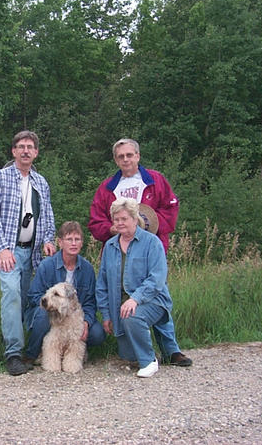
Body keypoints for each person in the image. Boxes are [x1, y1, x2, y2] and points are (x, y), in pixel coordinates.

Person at [89, 138, 192, 366]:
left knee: (155, 293)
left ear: (137, 156)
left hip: (150, 246)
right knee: (126, 297)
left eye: (129, 155)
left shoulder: (155, 180)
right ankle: (137, 350)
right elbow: (95, 221)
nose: (125, 159)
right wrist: (110, 229)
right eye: (120, 156)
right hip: (120, 249)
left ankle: (171, 350)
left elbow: (170, 208)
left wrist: (152, 227)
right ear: (115, 160)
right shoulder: (108, 188)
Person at [0, 130, 56, 376]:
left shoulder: (40, 182)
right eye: (21, 146)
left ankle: (30, 350)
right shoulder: (0, 178)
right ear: (13, 151)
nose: (25, 151)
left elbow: (47, 215)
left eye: (30, 147)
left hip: (31, 252)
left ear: (36, 153)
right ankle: (13, 353)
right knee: (12, 294)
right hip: (8, 251)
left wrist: (48, 240)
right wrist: (3, 248)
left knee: (26, 299)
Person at [95, 199, 174, 378]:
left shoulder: (152, 242)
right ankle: (142, 348)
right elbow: (102, 284)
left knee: (132, 316)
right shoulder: (110, 246)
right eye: (116, 220)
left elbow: (157, 279)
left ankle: (149, 361)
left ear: (134, 218)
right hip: (120, 306)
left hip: (153, 301)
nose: (120, 223)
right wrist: (107, 315)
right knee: (128, 356)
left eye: (124, 218)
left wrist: (135, 299)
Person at [24, 221, 106, 364]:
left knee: (97, 334)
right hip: (49, 313)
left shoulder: (87, 269)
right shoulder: (46, 265)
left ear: (82, 243)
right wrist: (53, 306)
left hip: (74, 316)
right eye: (69, 239)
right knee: (43, 317)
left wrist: (85, 323)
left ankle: (73, 354)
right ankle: (32, 353)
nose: (73, 243)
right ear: (60, 242)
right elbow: (34, 296)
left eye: (77, 239)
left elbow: (90, 303)